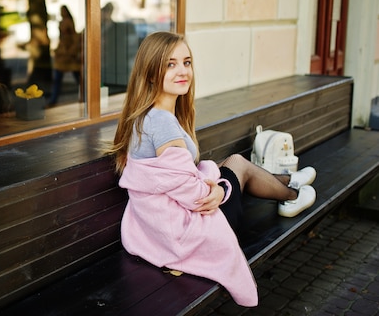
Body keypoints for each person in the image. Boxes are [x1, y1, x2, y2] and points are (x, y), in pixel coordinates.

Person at [108, 32, 317, 307]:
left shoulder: (145, 116)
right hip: (185, 235)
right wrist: (221, 189)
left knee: (225, 166)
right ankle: (291, 195)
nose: (182, 71)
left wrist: (212, 178)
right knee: (237, 164)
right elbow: (195, 196)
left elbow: (175, 177)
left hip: (159, 228)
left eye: (187, 62)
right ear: (149, 73)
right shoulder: (163, 125)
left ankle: (287, 180)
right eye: (170, 64)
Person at [48, 5, 81, 105]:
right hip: (62, 53)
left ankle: (86, 96)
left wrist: (72, 50)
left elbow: (74, 37)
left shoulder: (69, 22)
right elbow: (61, 37)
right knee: (58, 78)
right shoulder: (62, 22)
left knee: (78, 77)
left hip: (69, 53)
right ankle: (53, 100)